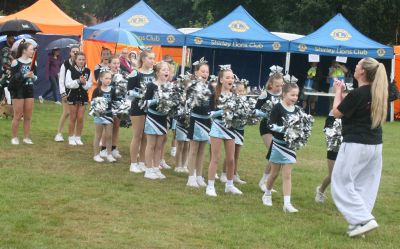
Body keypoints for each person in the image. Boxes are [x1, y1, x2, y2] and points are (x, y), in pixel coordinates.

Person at [331, 57, 388, 237]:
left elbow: (336, 113)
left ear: (362, 71)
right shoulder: (376, 91)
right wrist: (344, 92)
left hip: (356, 144)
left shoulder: (359, 93)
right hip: (375, 146)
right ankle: (359, 225)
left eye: (357, 66)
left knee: (340, 182)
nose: (354, 68)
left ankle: (364, 219)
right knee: (365, 185)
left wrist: (337, 92)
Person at [261, 81, 300, 213]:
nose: (295, 98)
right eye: (292, 95)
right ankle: (267, 193)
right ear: (284, 94)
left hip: (290, 146)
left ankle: (287, 203)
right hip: (277, 145)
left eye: (296, 95)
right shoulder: (278, 107)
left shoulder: (297, 110)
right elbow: (270, 124)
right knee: (274, 174)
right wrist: (282, 128)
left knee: (287, 174)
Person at [206, 65, 243, 197]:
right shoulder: (214, 94)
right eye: (227, 77)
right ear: (221, 80)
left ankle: (229, 185)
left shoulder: (234, 95)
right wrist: (223, 111)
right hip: (217, 127)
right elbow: (209, 113)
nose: (230, 80)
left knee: (231, 159)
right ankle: (210, 186)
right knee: (215, 158)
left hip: (230, 128)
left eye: (232, 77)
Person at [255, 67, 284, 192]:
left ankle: (266, 181)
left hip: (278, 128)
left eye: (281, 85)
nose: (279, 87)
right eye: (277, 85)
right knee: (272, 153)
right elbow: (255, 110)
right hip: (266, 126)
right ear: (271, 84)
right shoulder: (265, 94)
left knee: (275, 155)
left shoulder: (283, 95)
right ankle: (264, 181)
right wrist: (266, 115)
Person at [128, 49, 155, 173]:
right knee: (137, 135)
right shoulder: (135, 73)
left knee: (146, 136)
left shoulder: (154, 74)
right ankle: (133, 163)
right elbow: (129, 92)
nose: (152, 61)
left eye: (153, 58)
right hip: (138, 107)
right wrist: (141, 95)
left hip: (150, 108)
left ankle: (143, 162)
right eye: (150, 58)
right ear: (143, 59)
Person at [186, 59, 212, 188]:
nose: (205, 74)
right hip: (195, 120)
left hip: (206, 121)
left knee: (202, 150)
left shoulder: (210, 87)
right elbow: (188, 103)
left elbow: (212, 105)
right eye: (203, 71)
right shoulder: (192, 86)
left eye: (207, 72)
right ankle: (191, 177)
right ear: (196, 73)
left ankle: (200, 176)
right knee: (194, 149)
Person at [142, 61, 170, 179]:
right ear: (157, 73)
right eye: (163, 69)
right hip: (152, 118)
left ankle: (156, 168)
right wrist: (157, 100)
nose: (166, 71)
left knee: (159, 146)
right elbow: (144, 103)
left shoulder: (169, 86)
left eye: (167, 69)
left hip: (163, 118)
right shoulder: (151, 86)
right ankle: (148, 170)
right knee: (151, 145)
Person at [9, 42, 37, 145]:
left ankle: (26, 137)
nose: (33, 51)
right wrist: (25, 75)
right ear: (24, 50)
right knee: (17, 115)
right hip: (18, 91)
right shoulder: (15, 62)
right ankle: (14, 137)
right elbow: (13, 79)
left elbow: (36, 77)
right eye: (31, 49)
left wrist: (33, 76)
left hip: (29, 89)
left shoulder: (34, 62)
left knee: (28, 116)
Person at [220, 81, 247, 184]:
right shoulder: (232, 101)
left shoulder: (245, 101)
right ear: (234, 91)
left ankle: (234, 174)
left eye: (243, 90)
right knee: (230, 154)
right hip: (232, 129)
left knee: (237, 154)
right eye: (240, 90)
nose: (242, 92)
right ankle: (223, 173)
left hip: (240, 129)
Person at [65, 52, 92, 146]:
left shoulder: (88, 71)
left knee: (80, 118)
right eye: (79, 59)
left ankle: (78, 137)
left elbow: (90, 85)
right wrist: (78, 81)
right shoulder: (70, 70)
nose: (81, 61)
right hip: (73, 95)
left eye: (83, 59)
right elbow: (67, 84)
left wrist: (84, 83)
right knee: (73, 117)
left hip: (83, 96)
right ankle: (71, 137)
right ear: (75, 60)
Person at [54, 45, 80, 142]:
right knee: (67, 113)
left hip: (78, 92)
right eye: (73, 51)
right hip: (67, 92)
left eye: (77, 51)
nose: (75, 53)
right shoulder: (65, 64)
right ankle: (58, 133)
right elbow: (61, 80)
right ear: (70, 53)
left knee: (76, 114)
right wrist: (63, 93)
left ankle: (73, 135)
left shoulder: (82, 63)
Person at [315, 111, 341, 203]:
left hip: (349, 146)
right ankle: (320, 190)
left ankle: (344, 199)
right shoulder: (334, 111)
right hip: (334, 146)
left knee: (347, 174)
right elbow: (328, 130)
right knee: (333, 174)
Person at [92, 70, 117, 163]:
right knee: (98, 135)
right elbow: (93, 103)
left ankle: (109, 154)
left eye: (110, 78)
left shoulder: (112, 90)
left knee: (109, 135)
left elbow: (114, 102)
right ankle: (96, 155)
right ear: (101, 79)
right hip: (99, 115)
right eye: (106, 78)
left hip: (109, 115)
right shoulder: (97, 90)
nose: (108, 80)